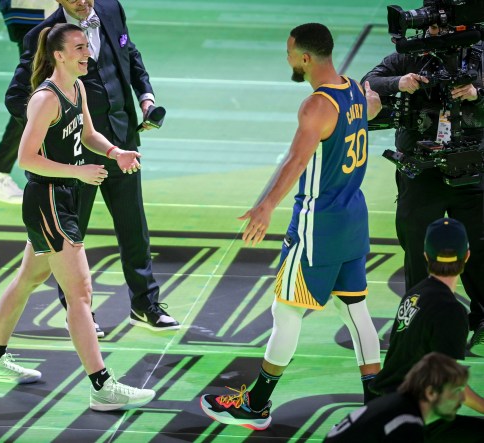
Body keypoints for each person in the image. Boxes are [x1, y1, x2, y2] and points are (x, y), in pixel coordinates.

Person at [199, 23, 382, 431]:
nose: (286, 58)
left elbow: (296, 163)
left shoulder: (317, 106)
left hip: (318, 226)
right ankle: (377, 405)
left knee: (285, 310)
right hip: (354, 220)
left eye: (289, 52)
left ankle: (256, 405)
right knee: (356, 310)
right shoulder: (354, 89)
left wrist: (266, 206)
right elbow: (373, 107)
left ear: (305, 58)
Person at [0, 23, 155, 412]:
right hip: (49, 198)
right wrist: (77, 172)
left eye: (86, 47)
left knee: (27, 280)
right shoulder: (45, 98)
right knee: (80, 294)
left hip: (62, 197)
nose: (86, 53)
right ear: (58, 55)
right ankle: (102, 387)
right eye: (78, 48)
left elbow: (88, 135)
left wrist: (114, 153)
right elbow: (25, 158)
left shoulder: (78, 87)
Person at [4, 0, 179, 334]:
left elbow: (131, 54)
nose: (83, 2)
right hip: (73, 157)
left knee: (134, 229)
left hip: (119, 142)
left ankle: (145, 305)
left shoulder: (111, 9)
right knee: (71, 238)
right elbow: (16, 98)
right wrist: (53, 126)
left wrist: (146, 97)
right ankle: (78, 313)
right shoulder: (44, 35)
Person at [361, 24, 484, 355]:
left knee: (479, 248)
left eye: (446, 25)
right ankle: (415, 322)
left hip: (470, 170)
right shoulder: (408, 58)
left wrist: (477, 93)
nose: (438, 32)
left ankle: (483, 318)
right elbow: (366, 84)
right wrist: (398, 83)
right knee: (416, 249)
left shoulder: (480, 56)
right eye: (432, 25)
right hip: (420, 172)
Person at [368, 218, 484, 414]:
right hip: (407, 414)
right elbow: (450, 384)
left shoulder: (414, 294)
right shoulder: (451, 311)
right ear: (467, 256)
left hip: (386, 403)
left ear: (425, 255)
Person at [0, 0, 59, 204]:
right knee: (38, 95)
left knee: (45, 91)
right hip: (33, 10)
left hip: (40, 10)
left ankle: (1, 172)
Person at [324, 352, 470, 442]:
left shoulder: (397, 406)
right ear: (431, 393)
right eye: (457, 390)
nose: (463, 398)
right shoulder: (406, 423)